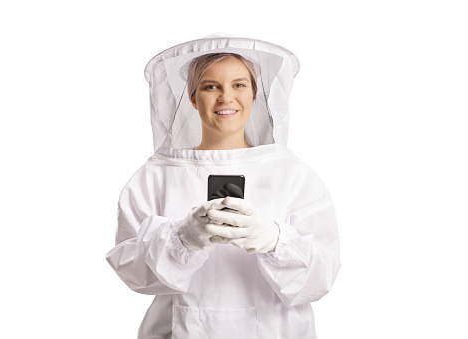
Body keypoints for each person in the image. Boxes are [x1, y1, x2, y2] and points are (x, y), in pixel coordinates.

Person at [105, 33, 341, 338]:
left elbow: (322, 276)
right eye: (210, 86)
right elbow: (132, 273)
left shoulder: (293, 175)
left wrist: (275, 240)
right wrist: (181, 238)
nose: (226, 97)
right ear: (192, 97)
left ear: (256, 95)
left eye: (239, 85)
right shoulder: (154, 177)